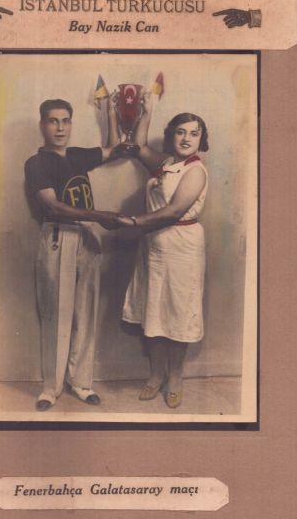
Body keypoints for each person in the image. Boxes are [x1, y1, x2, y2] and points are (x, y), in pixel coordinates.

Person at [24, 98, 120, 411]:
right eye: (53, 121)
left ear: (71, 123)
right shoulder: (36, 163)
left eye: (65, 121)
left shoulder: (77, 155)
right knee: (57, 313)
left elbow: (114, 149)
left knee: (85, 311)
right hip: (59, 234)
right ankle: (50, 388)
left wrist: (110, 110)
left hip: (88, 235)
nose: (60, 127)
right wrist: (98, 215)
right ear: (43, 125)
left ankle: (80, 382)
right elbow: (52, 205)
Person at [117, 95, 209, 409]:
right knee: (153, 312)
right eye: (180, 132)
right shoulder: (166, 163)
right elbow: (139, 145)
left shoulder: (195, 171)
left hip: (183, 247)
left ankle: (175, 379)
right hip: (154, 246)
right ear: (171, 136)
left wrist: (133, 222)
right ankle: (156, 375)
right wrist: (148, 111)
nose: (186, 138)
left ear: (201, 139)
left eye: (193, 133)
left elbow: (173, 211)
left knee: (177, 313)